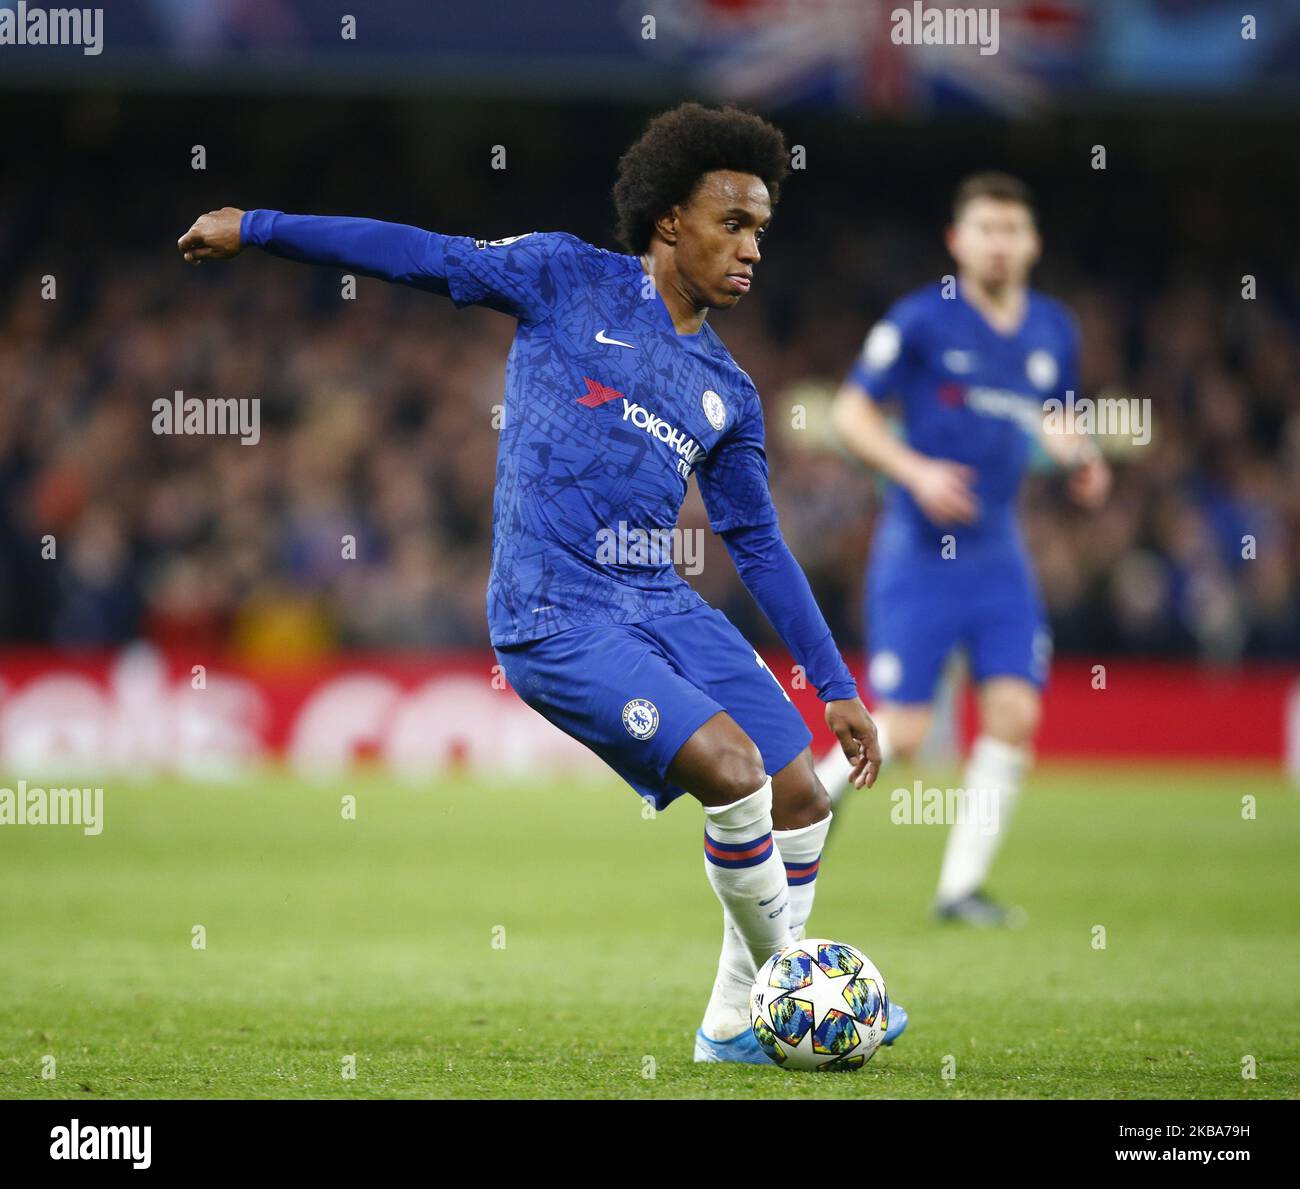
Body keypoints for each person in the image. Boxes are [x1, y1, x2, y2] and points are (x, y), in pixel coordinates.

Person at [178, 102, 907, 1062]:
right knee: (732, 771)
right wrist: (260, 226)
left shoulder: (728, 390)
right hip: (557, 614)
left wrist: (839, 688)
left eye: (762, 230)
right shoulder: (564, 276)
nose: (751, 248)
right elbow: (418, 253)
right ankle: (807, 989)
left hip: (661, 601)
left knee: (800, 797)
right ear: (669, 222)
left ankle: (735, 1022)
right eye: (733, 223)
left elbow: (760, 546)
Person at [815, 172, 1111, 927]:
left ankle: (960, 889)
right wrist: (912, 469)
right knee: (904, 733)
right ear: (957, 241)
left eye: (1012, 229)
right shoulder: (921, 320)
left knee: (1014, 711)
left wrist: (1083, 460)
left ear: (1033, 242)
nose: (999, 243)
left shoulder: (1054, 330)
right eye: (985, 228)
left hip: (998, 551)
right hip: (917, 549)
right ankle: (803, 817)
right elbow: (848, 413)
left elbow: (1053, 422)